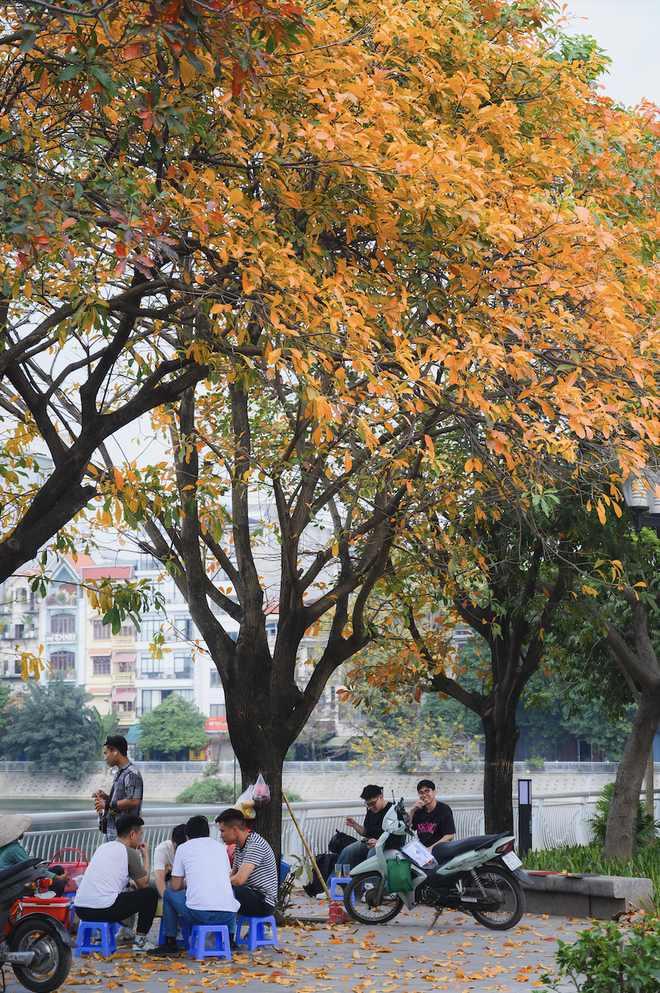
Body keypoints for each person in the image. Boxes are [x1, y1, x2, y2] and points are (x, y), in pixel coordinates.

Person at [149, 815, 239, 959]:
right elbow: (225, 877)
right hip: (226, 914)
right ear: (209, 834)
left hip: (198, 914)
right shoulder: (220, 847)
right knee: (230, 893)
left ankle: (171, 942)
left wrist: (187, 880)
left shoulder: (183, 848)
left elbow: (176, 886)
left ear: (187, 837)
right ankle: (230, 941)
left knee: (168, 894)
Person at [73, 814, 157, 953]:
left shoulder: (103, 847)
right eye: (140, 834)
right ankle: (140, 941)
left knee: (113, 895)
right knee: (150, 895)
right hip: (104, 910)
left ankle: (100, 937)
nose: (140, 839)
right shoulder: (130, 852)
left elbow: (106, 878)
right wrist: (146, 856)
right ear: (132, 834)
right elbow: (144, 884)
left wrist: (129, 884)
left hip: (81, 909)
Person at [215, 808, 278, 918]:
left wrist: (214, 884)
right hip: (250, 894)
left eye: (222, 831)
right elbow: (232, 876)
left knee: (222, 891)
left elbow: (239, 880)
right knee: (221, 892)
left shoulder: (255, 845)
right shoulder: (238, 847)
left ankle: (218, 932)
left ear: (235, 830)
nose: (221, 836)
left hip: (263, 901)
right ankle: (218, 930)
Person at [325, 785, 392, 881]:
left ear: (380, 797)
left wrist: (378, 842)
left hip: (384, 844)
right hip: (370, 841)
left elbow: (396, 835)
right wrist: (354, 824)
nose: (371, 807)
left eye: (373, 803)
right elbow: (366, 832)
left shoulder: (392, 811)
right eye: (368, 804)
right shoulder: (371, 811)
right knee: (348, 851)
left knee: (372, 854)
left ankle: (369, 889)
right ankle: (335, 883)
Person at [0, 814, 69, 896]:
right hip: (19, 887)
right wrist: (58, 878)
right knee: (59, 884)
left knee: (58, 869)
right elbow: (32, 869)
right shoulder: (13, 849)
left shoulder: (6, 847)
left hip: (13, 882)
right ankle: (50, 906)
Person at [92, 735, 143, 842]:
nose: (105, 758)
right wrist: (106, 797)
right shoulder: (121, 773)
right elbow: (121, 799)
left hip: (126, 836)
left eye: (106, 753)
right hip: (115, 834)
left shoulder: (131, 773)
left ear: (115, 751)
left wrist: (107, 804)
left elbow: (134, 800)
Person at [408, 779, 455, 852]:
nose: (424, 795)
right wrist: (412, 810)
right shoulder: (419, 810)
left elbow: (450, 834)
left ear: (434, 792)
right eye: (421, 793)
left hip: (441, 849)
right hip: (424, 850)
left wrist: (431, 848)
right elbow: (410, 825)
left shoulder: (444, 809)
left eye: (427, 791)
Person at [152, 824, 187, 897]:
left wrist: (169, 868)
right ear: (171, 840)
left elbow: (190, 875)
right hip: (163, 884)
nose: (179, 852)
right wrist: (166, 899)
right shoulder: (162, 849)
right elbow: (159, 878)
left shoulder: (191, 850)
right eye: (176, 848)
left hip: (180, 886)